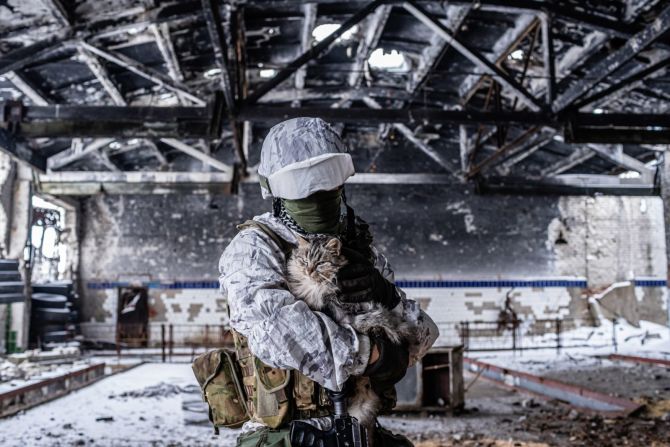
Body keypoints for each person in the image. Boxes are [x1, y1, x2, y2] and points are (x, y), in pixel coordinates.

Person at [218, 117, 438, 446]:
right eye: (303, 188)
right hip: (286, 434)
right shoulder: (253, 249)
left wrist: (385, 293)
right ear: (274, 190)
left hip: (359, 427)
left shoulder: (359, 246)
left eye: (326, 183)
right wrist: (374, 354)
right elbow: (279, 335)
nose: (318, 195)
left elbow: (423, 338)